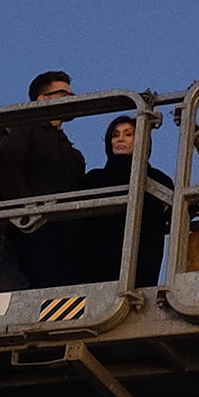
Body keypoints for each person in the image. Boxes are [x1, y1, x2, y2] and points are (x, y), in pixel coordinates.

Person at [0, 71, 86, 287]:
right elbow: (9, 169)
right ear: (42, 99)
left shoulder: (71, 152)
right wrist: (28, 217)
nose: (70, 99)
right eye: (62, 93)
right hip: (36, 228)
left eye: (70, 95)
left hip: (68, 233)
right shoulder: (24, 127)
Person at [81, 116, 175, 287]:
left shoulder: (158, 180)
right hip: (97, 269)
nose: (120, 139)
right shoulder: (95, 179)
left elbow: (185, 213)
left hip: (143, 266)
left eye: (128, 134)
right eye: (115, 135)